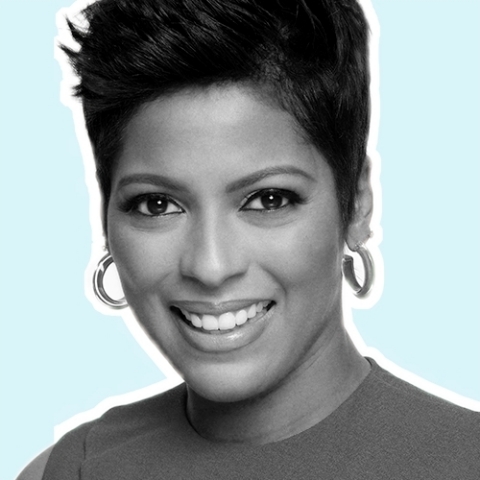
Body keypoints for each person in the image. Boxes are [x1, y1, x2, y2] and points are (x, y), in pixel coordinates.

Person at [17, 0, 479, 478]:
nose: (211, 266)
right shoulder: (72, 470)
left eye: (268, 200)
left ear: (357, 202)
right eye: (157, 204)